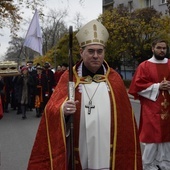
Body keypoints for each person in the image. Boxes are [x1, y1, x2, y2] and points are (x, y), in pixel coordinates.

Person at [27, 20, 142, 170]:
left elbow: (126, 123)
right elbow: (50, 111)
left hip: (109, 152)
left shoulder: (115, 80)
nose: (95, 56)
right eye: (91, 51)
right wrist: (63, 110)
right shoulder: (69, 78)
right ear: (81, 52)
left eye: (99, 51)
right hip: (79, 150)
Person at [128, 39, 170, 170]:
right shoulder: (144, 66)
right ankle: (148, 165)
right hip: (151, 108)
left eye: (164, 48)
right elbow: (137, 86)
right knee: (152, 137)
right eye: (159, 48)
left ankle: (165, 164)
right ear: (153, 49)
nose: (162, 50)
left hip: (168, 107)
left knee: (167, 138)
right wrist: (158, 86)